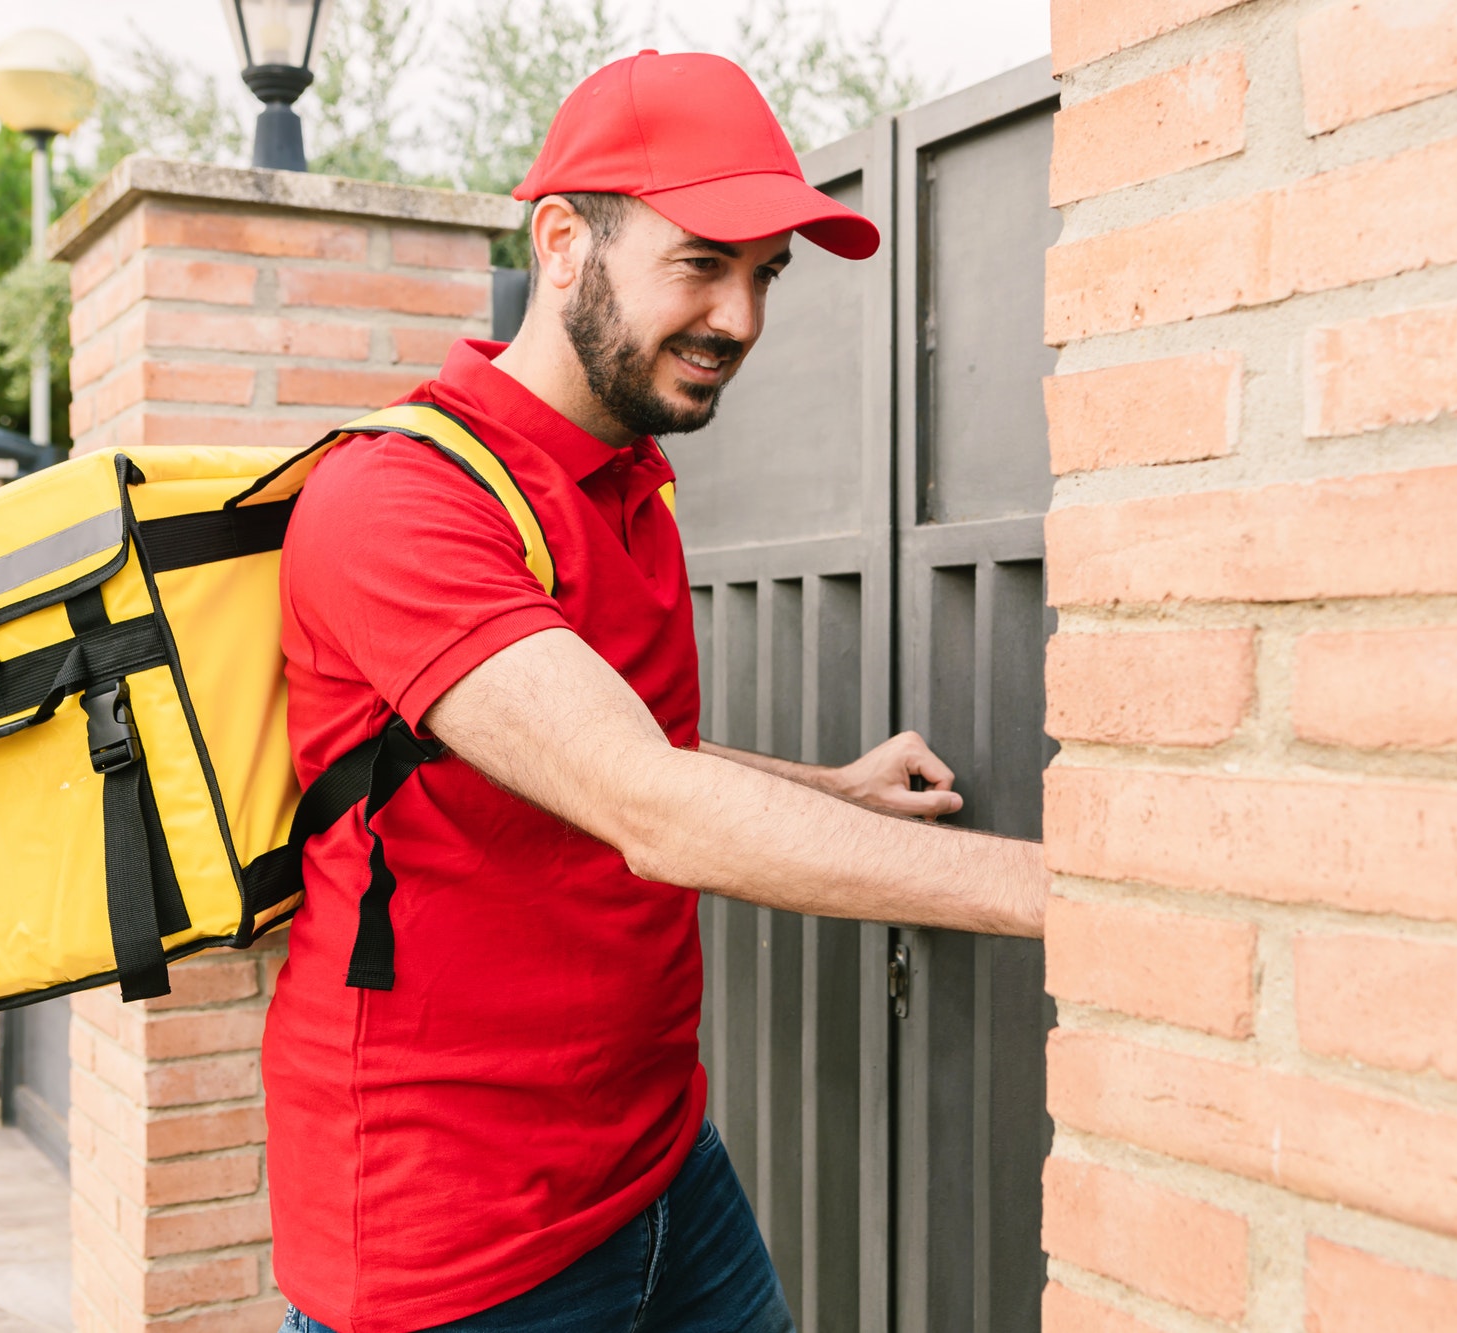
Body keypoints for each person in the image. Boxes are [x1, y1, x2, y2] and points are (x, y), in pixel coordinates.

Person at [263, 50, 1047, 1333]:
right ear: (564, 242)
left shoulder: (628, 479)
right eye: (701, 263)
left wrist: (827, 790)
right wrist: (1087, 896)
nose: (739, 318)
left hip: (660, 1164)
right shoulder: (401, 503)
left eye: (764, 277)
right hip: (453, 1247)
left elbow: (631, 752)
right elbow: (651, 805)